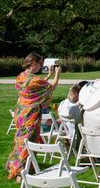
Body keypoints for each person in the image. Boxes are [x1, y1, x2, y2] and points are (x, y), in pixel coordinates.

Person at [6, 53, 61, 182]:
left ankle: (17, 165)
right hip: (30, 114)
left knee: (20, 140)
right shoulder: (34, 80)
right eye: (40, 63)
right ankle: (21, 171)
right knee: (28, 142)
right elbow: (51, 88)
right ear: (34, 63)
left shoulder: (21, 76)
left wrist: (48, 76)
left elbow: (36, 87)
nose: (41, 66)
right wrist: (58, 73)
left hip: (20, 113)